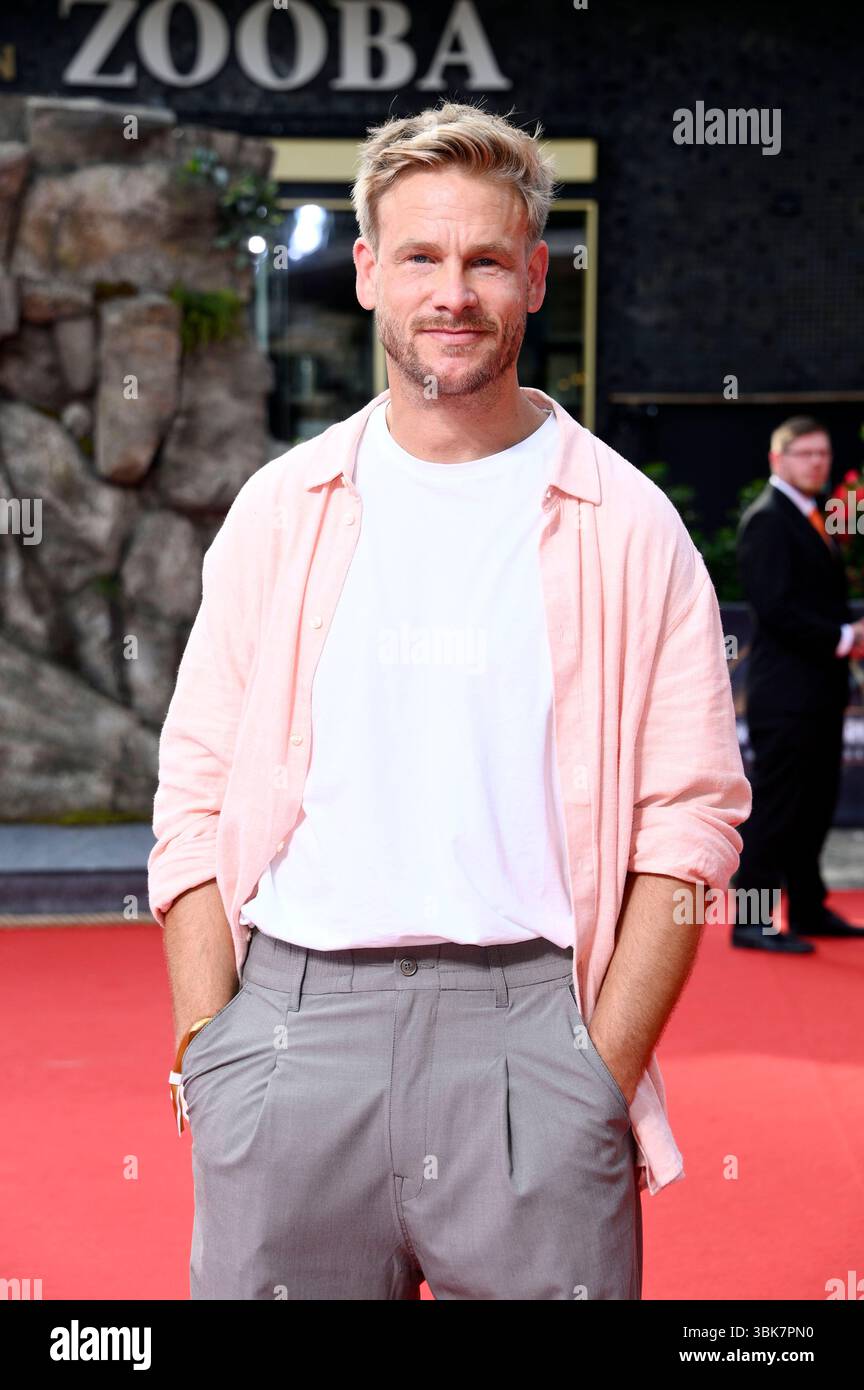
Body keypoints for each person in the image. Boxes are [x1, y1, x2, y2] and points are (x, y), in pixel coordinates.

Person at [148, 101, 751, 1301]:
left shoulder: (628, 522)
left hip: (536, 1030)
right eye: (420, 256)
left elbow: (689, 821)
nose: (453, 292)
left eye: (485, 259)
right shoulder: (282, 507)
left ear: (534, 274)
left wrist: (599, 1065)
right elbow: (195, 789)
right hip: (288, 1027)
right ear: (369, 272)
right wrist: (208, 1047)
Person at [731, 416, 864, 953]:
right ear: (776, 460)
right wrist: (843, 635)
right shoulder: (767, 520)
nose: (818, 463)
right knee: (780, 808)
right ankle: (750, 920)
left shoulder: (811, 516)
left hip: (818, 692)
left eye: (824, 454)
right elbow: (776, 608)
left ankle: (807, 906)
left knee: (814, 804)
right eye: (805, 453)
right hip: (785, 696)